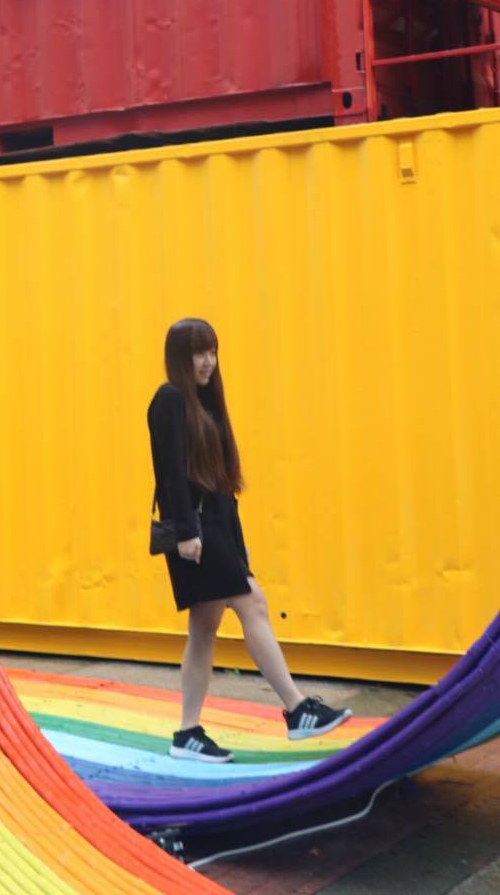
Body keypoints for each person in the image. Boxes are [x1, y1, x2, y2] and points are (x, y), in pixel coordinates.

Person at [148, 317, 351, 763]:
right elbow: (171, 473)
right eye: (199, 352)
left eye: (212, 351)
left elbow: (222, 484)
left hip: (218, 526)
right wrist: (187, 532)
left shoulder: (207, 402)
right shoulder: (169, 399)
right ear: (180, 357)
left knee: (204, 629)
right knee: (253, 603)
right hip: (195, 531)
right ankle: (297, 708)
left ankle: (187, 734)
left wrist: (236, 546)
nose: (208, 361)